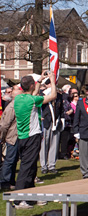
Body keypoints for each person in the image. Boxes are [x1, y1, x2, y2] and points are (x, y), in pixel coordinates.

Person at [13, 72, 56, 209]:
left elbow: (32, 95)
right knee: (26, 167)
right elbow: (53, 96)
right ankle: (18, 199)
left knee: (31, 167)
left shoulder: (19, 99)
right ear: (31, 86)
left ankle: (30, 197)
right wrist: (53, 81)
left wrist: (40, 81)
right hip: (32, 137)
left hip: (23, 137)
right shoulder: (32, 100)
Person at [0, 85, 22, 190]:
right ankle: (4, 182)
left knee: (13, 160)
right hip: (11, 137)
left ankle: (11, 181)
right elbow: (4, 125)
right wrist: (2, 137)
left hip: (16, 136)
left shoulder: (16, 106)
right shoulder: (11, 107)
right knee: (9, 160)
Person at [40, 86, 63, 175]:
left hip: (55, 122)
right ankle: (43, 166)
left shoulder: (59, 96)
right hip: (45, 122)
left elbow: (61, 109)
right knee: (44, 145)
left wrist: (62, 120)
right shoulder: (42, 95)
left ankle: (52, 165)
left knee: (54, 144)